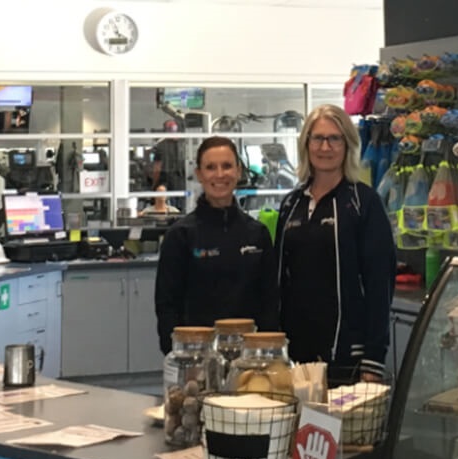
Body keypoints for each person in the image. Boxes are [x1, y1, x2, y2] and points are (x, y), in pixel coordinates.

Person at [274, 104, 396, 384]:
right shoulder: (291, 204)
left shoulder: (363, 202)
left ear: (348, 144)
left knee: (342, 429)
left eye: (334, 138)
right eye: (317, 138)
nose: (325, 147)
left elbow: (380, 283)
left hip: (347, 356)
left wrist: (373, 358)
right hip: (296, 355)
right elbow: (279, 279)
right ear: (306, 144)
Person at [154, 136, 278, 355]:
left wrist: (266, 354)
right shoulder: (181, 235)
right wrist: (178, 357)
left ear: (239, 171)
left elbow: (269, 303)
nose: (220, 174)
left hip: (249, 359)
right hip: (196, 357)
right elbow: (167, 307)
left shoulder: (257, 234)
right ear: (199, 174)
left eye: (227, 166)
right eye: (211, 167)